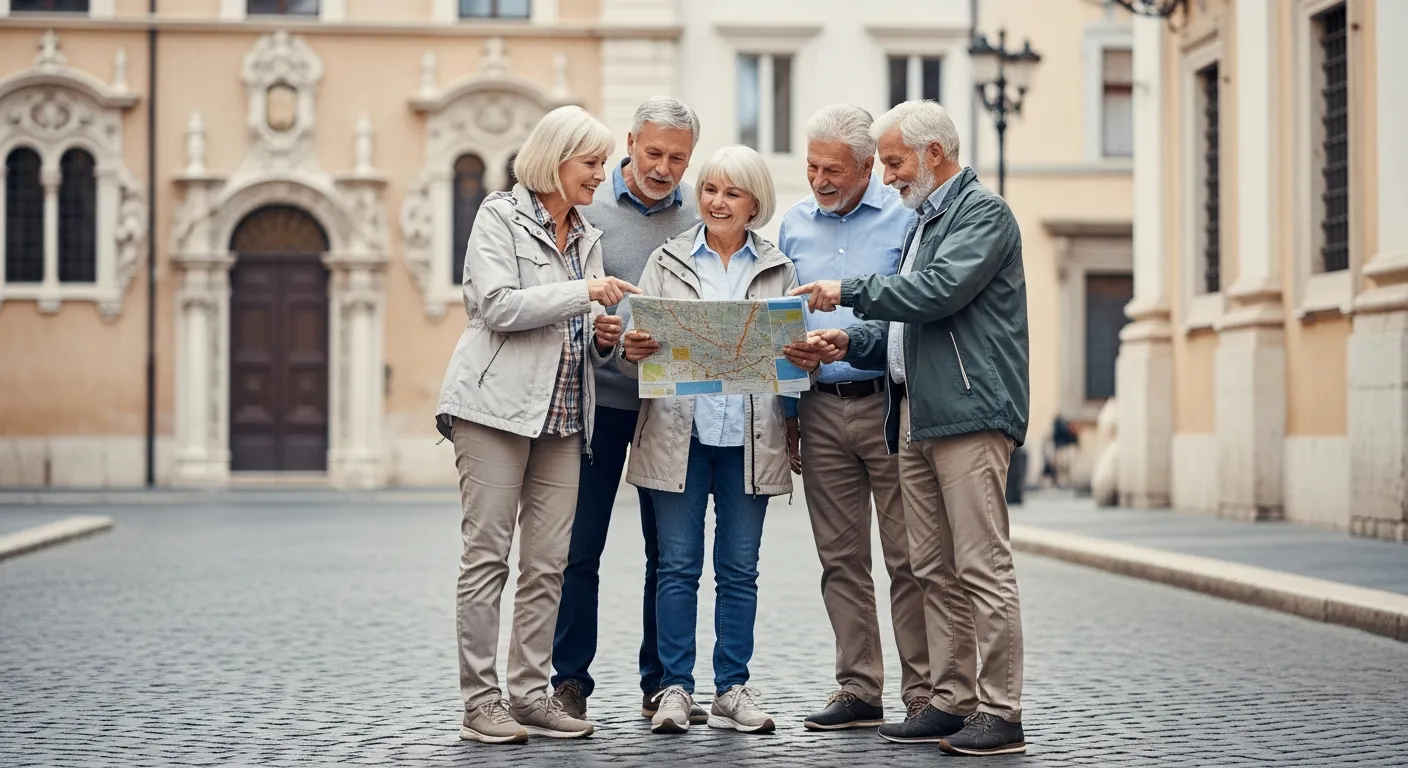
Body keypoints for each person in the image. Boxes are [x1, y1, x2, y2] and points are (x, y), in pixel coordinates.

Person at [793, 100, 1030, 757]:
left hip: (970, 409)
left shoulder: (983, 213)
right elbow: (904, 324)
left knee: (980, 564)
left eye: (894, 162)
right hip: (917, 412)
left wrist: (846, 291)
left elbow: (936, 293)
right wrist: (848, 340)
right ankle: (952, 702)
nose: (888, 176)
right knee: (931, 566)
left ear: (933, 155)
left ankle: (1002, 711)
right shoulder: (924, 222)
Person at [434, 105, 641, 744]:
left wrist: (605, 336)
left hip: (564, 416)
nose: (601, 175)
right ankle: (480, 702)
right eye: (591, 163)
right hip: (493, 410)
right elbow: (496, 306)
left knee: (548, 563)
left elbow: (577, 328)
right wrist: (584, 295)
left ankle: (528, 695)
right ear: (555, 161)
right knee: (487, 559)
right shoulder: (498, 215)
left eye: (603, 163)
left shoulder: (586, 233)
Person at [616, 145, 822, 735]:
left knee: (739, 570)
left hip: (751, 438)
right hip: (679, 432)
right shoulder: (667, 259)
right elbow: (639, 342)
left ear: (755, 202)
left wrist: (798, 370)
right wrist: (634, 349)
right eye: (709, 189)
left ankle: (732, 688)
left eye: (732, 193)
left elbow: (792, 360)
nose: (716, 202)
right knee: (677, 567)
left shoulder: (779, 268)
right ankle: (675, 689)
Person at [551, 97, 707, 726]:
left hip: (667, 410)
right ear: (630, 142)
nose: (664, 167)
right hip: (597, 404)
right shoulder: (587, 203)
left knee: (667, 552)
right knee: (578, 548)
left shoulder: (700, 212)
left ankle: (660, 683)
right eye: (654, 152)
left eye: (677, 157)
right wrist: (605, 331)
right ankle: (569, 681)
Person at [777, 104, 931, 731]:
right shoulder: (792, 226)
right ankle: (859, 687)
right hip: (818, 409)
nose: (820, 179)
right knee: (840, 559)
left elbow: (914, 306)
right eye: (812, 166)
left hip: (888, 405)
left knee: (909, 558)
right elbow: (779, 318)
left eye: (833, 169)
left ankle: (923, 694)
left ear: (868, 166)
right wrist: (789, 411)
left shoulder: (907, 220)